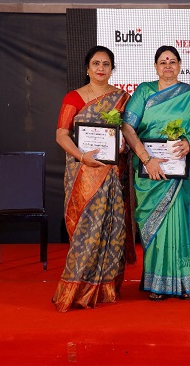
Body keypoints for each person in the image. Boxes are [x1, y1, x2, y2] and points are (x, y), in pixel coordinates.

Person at [122, 45, 190, 301]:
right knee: (156, 225)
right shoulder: (144, 91)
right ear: (156, 66)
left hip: (182, 175)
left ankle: (187, 283)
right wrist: (146, 159)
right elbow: (127, 127)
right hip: (151, 173)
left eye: (172, 61)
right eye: (163, 61)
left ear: (179, 65)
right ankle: (158, 283)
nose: (168, 65)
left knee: (184, 224)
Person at [52, 45, 132, 312]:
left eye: (106, 64)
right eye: (96, 63)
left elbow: (128, 133)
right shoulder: (74, 97)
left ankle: (103, 290)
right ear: (87, 68)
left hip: (112, 175)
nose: (101, 68)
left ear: (112, 69)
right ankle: (74, 291)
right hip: (83, 175)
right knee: (84, 233)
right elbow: (61, 134)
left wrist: (122, 146)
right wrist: (81, 156)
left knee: (111, 229)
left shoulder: (122, 98)